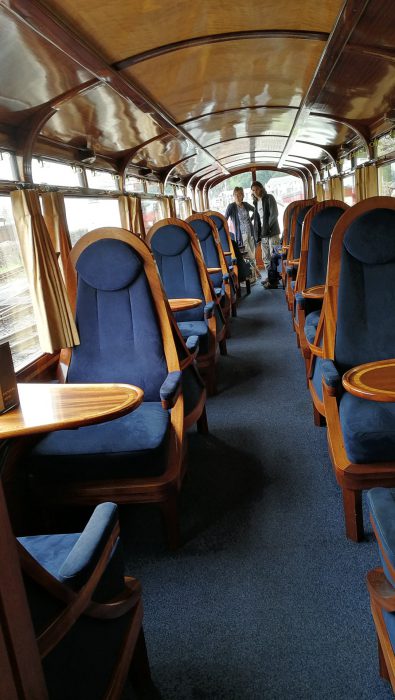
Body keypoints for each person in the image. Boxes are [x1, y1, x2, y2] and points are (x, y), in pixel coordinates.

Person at [224, 187, 259, 283]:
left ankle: (254, 277)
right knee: (250, 256)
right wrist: (225, 233)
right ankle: (254, 273)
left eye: (240, 194)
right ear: (233, 196)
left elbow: (256, 210)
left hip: (250, 232)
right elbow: (224, 219)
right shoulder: (231, 207)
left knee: (253, 253)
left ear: (243, 195)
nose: (239, 196)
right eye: (236, 194)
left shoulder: (246, 205)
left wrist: (250, 220)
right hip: (241, 235)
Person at [251, 180, 280, 289]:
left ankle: (274, 280)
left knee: (274, 256)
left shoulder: (269, 198)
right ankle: (270, 276)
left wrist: (266, 228)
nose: (255, 192)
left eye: (257, 189)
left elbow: (274, 215)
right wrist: (259, 232)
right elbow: (258, 219)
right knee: (265, 258)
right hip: (263, 234)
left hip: (273, 232)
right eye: (253, 190)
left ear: (261, 188)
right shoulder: (256, 202)